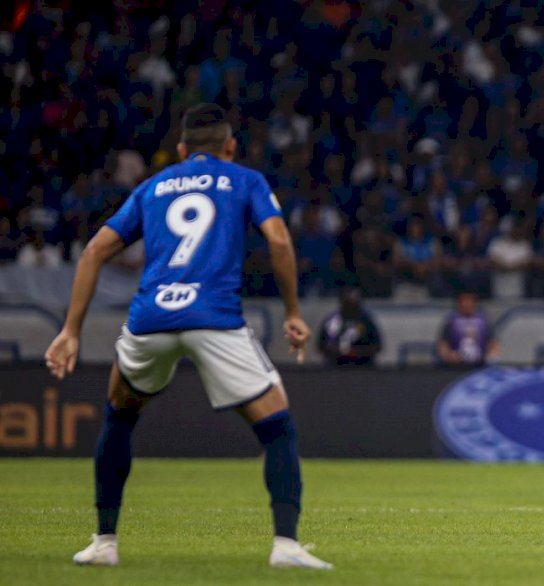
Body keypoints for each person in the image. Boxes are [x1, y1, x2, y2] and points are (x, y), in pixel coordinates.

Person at [43, 104, 333, 569]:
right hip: (213, 318)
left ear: (180, 150)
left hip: (150, 319)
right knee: (278, 428)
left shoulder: (152, 186)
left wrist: (70, 331)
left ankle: (104, 542)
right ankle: (286, 546)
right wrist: (293, 312)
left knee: (119, 417)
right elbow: (278, 241)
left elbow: (95, 250)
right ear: (230, 146)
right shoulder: (244, 180)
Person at [318, 285, 382, 367]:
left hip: (363, 366)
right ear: (342, 302)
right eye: (348, 303)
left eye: (354, 302)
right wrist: (338, 352)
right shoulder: (332, 320)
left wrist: (357, 352)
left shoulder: (366, 321)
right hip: (335, 366)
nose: (351, 306)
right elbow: (321, 345)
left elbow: (377, 346)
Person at [436, 289, 500, 366]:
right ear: (459, 303)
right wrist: (449, 355)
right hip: (455, 365)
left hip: (480, 365)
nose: (467, 304)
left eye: (470, 301)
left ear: (475, 303)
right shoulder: (451, 322)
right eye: (464, 301)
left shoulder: (484, 321)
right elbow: (443, 345)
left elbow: (493, 344)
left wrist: (491, 357)